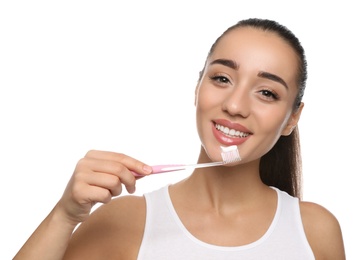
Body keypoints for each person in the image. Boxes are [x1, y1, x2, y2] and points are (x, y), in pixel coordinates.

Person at [14, 18, 345, 260]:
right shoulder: (124, 222)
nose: (234, 105)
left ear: (293, 118)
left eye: (267, 92)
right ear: (198, 87)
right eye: (222, 78)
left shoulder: (316, 232)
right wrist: (64, 216)